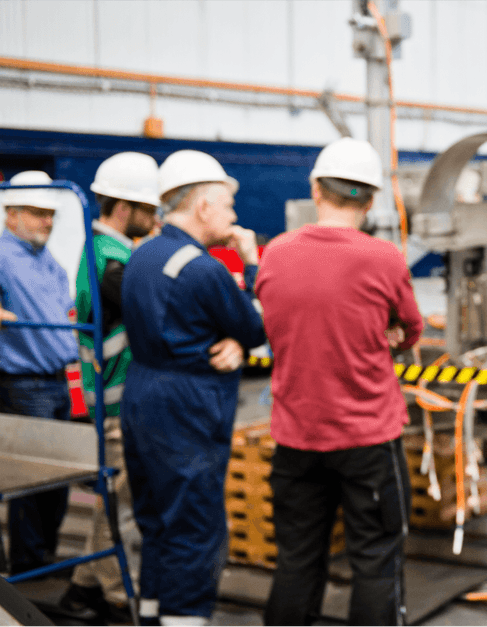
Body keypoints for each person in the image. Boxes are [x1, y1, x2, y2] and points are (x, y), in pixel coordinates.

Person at [256, 137, 423, 626]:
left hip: (296, 439)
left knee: (297, 560)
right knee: (375, 560)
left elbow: (273, 323)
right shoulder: (384, 258)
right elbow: (411, 327)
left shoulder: (276, 254)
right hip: (368, 441)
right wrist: (384, 334)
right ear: (370, 200)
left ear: (315, 189)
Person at [120, 150, 266, 627]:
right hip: (187, 405)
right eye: (227, 205)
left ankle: (152, 614)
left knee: (157, 519)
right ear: (203, 206)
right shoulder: (203, 269)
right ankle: (184, 619)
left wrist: (220, 341)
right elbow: (254, 328)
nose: (233, 216)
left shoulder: (141, 254)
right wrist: (250, 264)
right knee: (195, 525)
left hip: (141, 394)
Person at [58, 152, 160, 625]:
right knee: (123, 502)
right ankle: (117, 592)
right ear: (123, 208)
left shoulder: (102, 252)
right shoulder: (114, 263)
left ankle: (80, 588)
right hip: (119, 403)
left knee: (111, 498)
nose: (155, 217)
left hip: (110, 400)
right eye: (149, 208)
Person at [0, 170, 78, 575]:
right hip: (24, 384)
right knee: (32, 479)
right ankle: (27, 560)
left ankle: (44, 556)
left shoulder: (48, 260)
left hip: (57, 381)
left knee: (59, 478)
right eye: (39, 213)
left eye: (50, 214)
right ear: (12, 213)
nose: (47, 222)